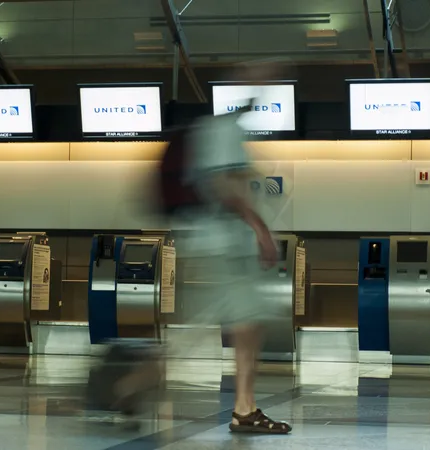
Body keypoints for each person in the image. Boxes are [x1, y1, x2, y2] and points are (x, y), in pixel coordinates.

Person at [177, 61, 292, 434]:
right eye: (255, 80)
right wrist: (259, 228)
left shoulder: (220, 129)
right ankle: (125, 384)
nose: (262, 88)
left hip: (221, 246)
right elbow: (226, 187)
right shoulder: (223, 130)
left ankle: (245, 407)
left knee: (244, 322)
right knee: (209, 329)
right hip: (225, 247)